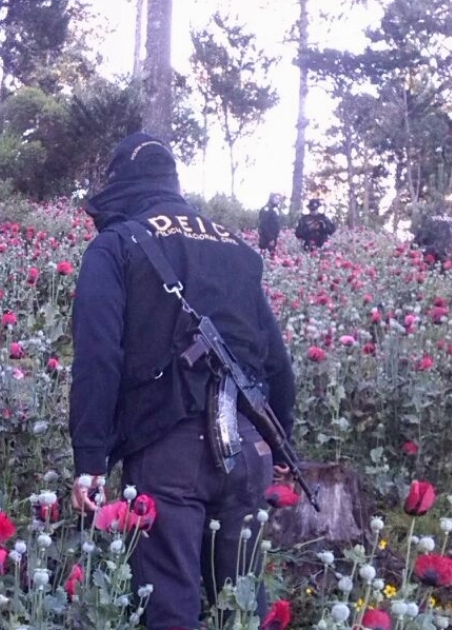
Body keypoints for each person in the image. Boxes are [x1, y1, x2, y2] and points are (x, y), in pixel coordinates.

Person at [68, 132, 296, 629]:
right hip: (250, 444)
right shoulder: (235, 246)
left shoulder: (115, 244)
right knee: (239, 606)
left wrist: (90, 460)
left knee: (169, 606)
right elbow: (276, 359)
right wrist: (282, 446)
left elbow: (98, 356)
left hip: (167, 451)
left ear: (121, 180)